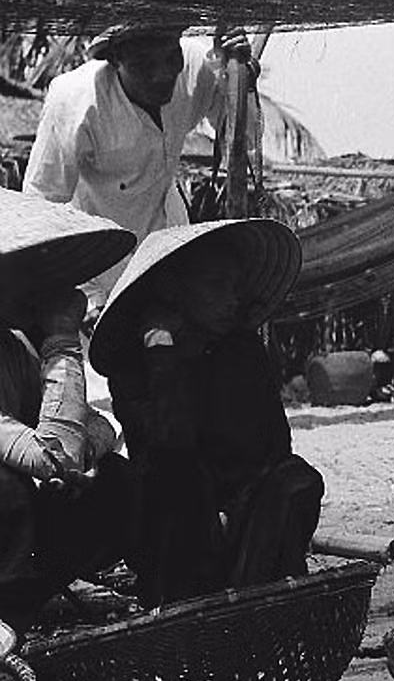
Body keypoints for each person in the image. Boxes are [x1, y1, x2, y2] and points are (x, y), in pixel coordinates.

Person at [87, 218, 323, 607]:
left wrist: (231, 512)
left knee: (297, 480)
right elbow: (168, 447)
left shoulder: (243, 352)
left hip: (243, 516)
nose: (232, 298)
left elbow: (271, 449)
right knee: (169, 483)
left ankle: (258, 601)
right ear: (174, 292)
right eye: (216, 286)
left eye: (235, 286)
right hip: (177, 525)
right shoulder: (135, 365)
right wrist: (163, 354)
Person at [23, 22, 256, 309]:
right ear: (114, 59)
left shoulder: (196, 67)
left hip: (170, 262)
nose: (163, 74)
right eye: (144, 63)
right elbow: (42, 203)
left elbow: (242, 139)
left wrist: (238, 79)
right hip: (99, 279)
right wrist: (78, 295)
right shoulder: (75, 100)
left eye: (171, 58)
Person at [0, 189, 136, 635]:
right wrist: (61, 340)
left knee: (115, 481)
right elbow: (55, 453)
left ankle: (22, 603)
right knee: (8, 490)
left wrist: (81, 466)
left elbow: (98, 428)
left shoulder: (13, 346)